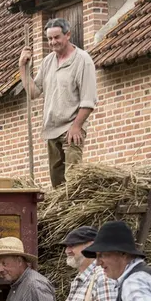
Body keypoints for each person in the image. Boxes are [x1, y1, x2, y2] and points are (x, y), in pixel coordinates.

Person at [18, 17, 98, 188]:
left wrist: (76, 126)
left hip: (71, 128)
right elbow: (33, 92)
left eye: (56, 37)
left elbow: (88, 100)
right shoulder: (48, 62)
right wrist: (23, 68)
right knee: (57, 182)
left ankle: (76, 210)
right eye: (49, 39)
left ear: (67, 35)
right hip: (51, 130)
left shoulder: (82, 60)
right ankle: (62, 212)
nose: (53, 42)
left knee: (73, 178)